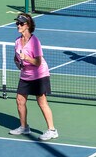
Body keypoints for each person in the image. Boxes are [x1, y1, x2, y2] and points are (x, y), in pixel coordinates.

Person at [8, 13, 58, 141]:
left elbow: (38, 62)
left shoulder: (35, 42)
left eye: (21, 23)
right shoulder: (17, 41)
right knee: (20, 100)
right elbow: (16, 57)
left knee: (41, 102)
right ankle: (24, 127)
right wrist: (19, 63)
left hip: (39, 75)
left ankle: (52, 130)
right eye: (17, 23)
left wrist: (26, 58)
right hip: (25, 75)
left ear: (28, 25)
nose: (18, 25)